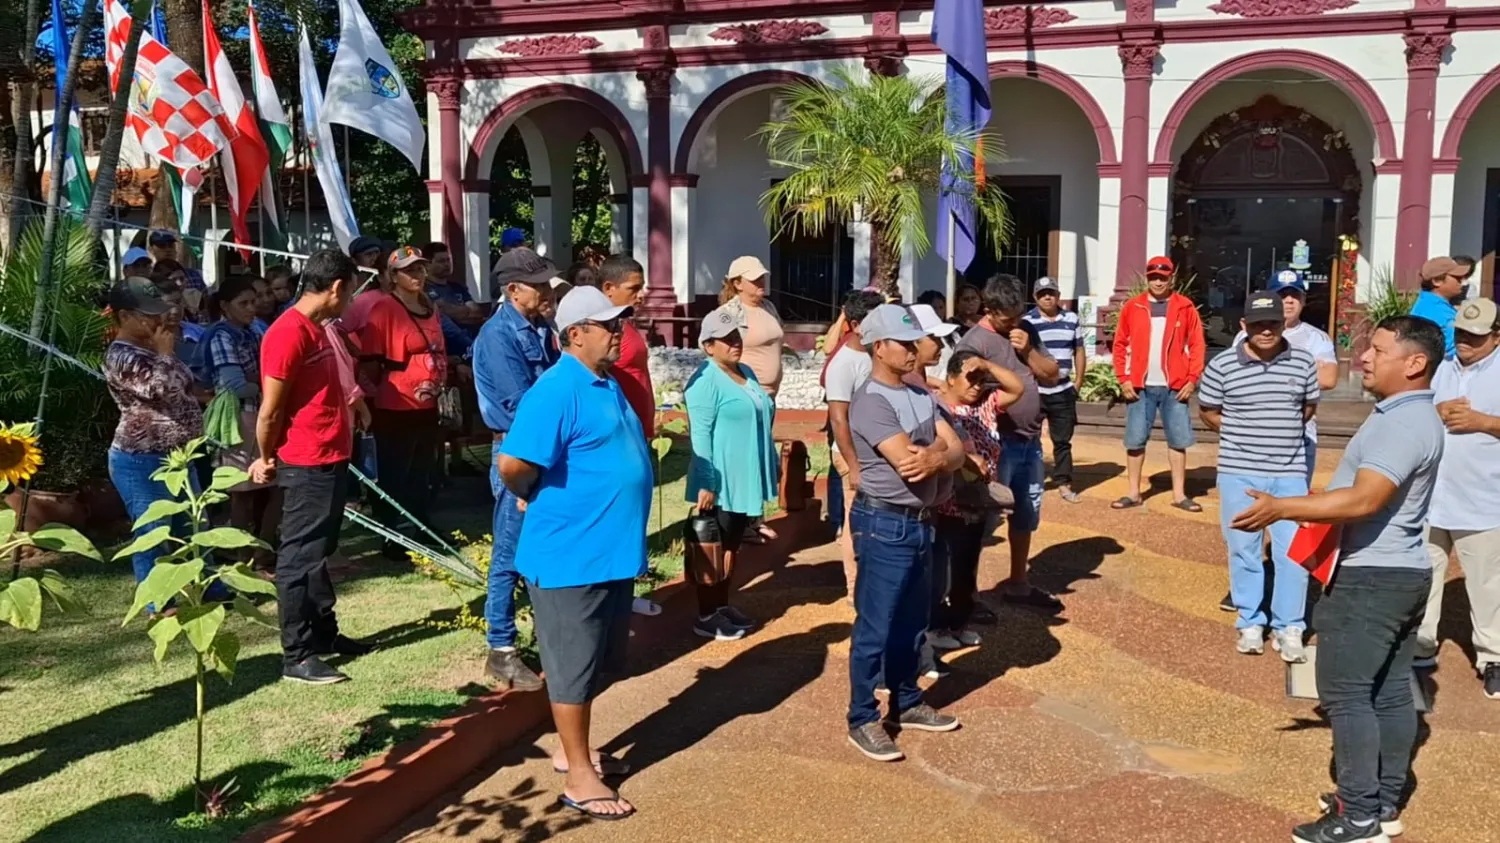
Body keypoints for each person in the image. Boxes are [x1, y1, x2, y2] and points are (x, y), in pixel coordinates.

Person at [1232, 316, 1445, 843]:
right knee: (1391, 690)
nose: (1363, 357)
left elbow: (1365, 499)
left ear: (1414, 363)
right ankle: (1382, 802)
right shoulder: (1410, 415)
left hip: (1373, 578)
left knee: (1347, 693)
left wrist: (1284, 506)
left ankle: (1359, 816)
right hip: (1400, 572)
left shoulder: (1402, 424)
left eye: (1376, 349)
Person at [496, 285, 653, 820]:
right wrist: (531, 495)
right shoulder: (557, 388)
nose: (620, 333)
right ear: (575, 334)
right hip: (570, 555)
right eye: (610, 325)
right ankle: (580, 776)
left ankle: (571, 748)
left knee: (602, 663)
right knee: (571, 667)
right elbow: (513, 464)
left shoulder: (605, 382)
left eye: (621, 324)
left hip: (609, 553)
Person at [844, 303, 967, 763]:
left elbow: (954, 449)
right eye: (905, 343)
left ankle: (906, 701)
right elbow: (908, 463)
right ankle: (862, 717)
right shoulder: (871, 401)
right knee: (875, 626)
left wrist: (937, 455)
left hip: (919, 523)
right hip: (884, 523)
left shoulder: (920, 394)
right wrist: (940, 455)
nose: (915, 351)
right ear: (880, 348)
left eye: (916, 342)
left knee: (913, 624)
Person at [250, 249, 372, 685]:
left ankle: (325, 634)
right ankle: (296, 655)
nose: (353, 299)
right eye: (353, 290)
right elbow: (270, 410)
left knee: (319, 551)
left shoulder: (318, 329)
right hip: (305, 462)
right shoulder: (287, 334)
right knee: (298, 558)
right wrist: (264, 457)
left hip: (332, 455)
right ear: (336, 287)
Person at [1199, 292, 1320, 661]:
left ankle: (1290, 626)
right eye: (1257, 324)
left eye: (1272, 323)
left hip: (1289, 472)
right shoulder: (1221, 365)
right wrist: (1240, 433)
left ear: (1283, 324)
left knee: (1293, 554)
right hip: (1239, 470)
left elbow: (1308, 407)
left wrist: (1278, 437)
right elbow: (1208, 410)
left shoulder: (1303, 362)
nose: (1266, 330)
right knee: (1244, 550)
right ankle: (1251, 621)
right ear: (1243, 326)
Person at [472, 247, 560, 691]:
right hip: (517, 453)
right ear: (512, 290)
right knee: (509, 552)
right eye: (538, 284)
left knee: (541, 547)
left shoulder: (543, 326)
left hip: (544, 449)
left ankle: (547, 634)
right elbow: (521, 404)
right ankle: (501, 648)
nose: (547, 291)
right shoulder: (498, 336)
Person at [955, 273, 1064, 611]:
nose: (1015, 322)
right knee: (981, 521)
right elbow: (962, 391)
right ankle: (966, 595)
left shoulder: (1026, 332)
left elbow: (1052, 373)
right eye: (1008, 318)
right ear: (989, 309)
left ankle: (1019, 582)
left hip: (1029, 440)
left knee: (1026, 514)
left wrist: (1028, 349)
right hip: (994, 442)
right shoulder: (975, 342)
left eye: (1020, 315)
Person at [102, 277, 205, 607]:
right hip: (141, 459)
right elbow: (157, 391)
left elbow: (182, 387)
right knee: (153, 531)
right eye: (148, 314)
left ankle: (208, 587)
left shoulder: (150, 348)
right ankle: (157, 603)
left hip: (176, 454)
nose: (158, 319)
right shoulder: (120, 355)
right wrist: (164, 353)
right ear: (124, 317)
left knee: (192, 523)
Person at [1418, 297, 1500, 699]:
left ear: (1496, 336)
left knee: (1487, 584)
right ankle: (1420, 646)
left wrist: (1485, 422)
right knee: (1424, 575)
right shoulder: (1442, 368)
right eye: (1462, 333)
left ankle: (1492, 657)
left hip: (1484, 498)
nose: (1466, 341)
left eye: (1476, 335)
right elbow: (1412, 412)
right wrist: (1437, 410)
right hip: (1431, 497)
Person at [684, 307, 779, 640]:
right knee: (712, 546)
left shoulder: (746, 371)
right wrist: (707, 482)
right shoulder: (704, 381)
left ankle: (722, 605)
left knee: (731, 546)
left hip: (745, 476)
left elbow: (762, 416)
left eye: (736, 337)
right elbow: (700, 434)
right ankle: (707, 613)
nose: (734, 343)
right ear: (708, 346)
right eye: (725, 339)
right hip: (719, 479)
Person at [359, 246, 448, 558]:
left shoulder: (430, 305)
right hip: (395, 403)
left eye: (420, 269)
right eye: (409, 270)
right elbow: (369, 361)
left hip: (428, 403)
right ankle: (392, 533)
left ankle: (422, 524)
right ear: (391, 276)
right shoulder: (383, 310)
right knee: (396, 471)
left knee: (425, 469)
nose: (417, 275)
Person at [936, 351, 1024, 634]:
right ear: (950, 378)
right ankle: (938, 626)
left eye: (981, 380)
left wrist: (986, 365)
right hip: (948, 504)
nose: (976, 386)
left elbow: (1017, 388)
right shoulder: (937, 409)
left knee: (968, 565)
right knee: (944, 569)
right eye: (970, 379)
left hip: (979, 502)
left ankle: (958, 624)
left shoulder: (986, 404)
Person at [1111, 255, 1206, 512]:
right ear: (1147, 278)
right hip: (1140, 387)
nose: (1158, 281)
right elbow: (1120, 345)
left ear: (1171, 278)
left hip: (1175, 387)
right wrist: (1123, 379)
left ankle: (1179, 494)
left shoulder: (1185, 307)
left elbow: (1197, 345)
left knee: (1177, 440)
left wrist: (1192, 379)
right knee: (1135, 440)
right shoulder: (1132, 307)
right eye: (1153, 276)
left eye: (1162, 277)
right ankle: (1133, 492)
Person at [203, 276, 282, 570]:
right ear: (225, 306)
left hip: (261, 413)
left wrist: (260, 380)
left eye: (255, 301)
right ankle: (241, 557)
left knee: (275, 486)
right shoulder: (222, 335)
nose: (252, 307)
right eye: (244, 303)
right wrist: (267, 381)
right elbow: (234, 385)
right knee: (241, 493)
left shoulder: (255, 330)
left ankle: (263, 549)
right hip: (237, 419)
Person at [824, 289, 885, 598]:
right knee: (855, 520)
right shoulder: (844, 364)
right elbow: (838, 419)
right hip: (853, 456)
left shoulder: (879, 353)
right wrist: (853, 464)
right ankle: (854, 587)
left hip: (880, 454)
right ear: (858, 324)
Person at [1024, 276, 1086, 503]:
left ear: (1058, 296)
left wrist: (1078, 382)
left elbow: (1078, 351)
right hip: (1035, 390)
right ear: (1035, 297)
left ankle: (1063, 483)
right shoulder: (1026, 321)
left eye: (1051, 293)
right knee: (1029, 438)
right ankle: (1031, 480)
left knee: (1062, 441)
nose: (1047, 297)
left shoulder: (1071, 318)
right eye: (1042, 294)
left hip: (1063, 390)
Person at [582, 255, 653, 436]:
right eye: (634, 289)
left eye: (642, 287)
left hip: (637, 429)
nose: (641, 295)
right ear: (608, 288)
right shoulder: (598, 330)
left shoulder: (623, 322)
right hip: (618, 430)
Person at [719, 256, 784, 401]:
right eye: (754, 279)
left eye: (762, 277)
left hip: (770, 393)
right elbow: (712, 349)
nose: (761, 282)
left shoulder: (768, 307)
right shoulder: (730, 312)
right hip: (746, 392)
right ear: (738, 284)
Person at [1410, 256, 1466, 359]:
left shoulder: (1431, 304)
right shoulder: (1432, 310)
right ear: (1437, 281)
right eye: (1457, 278)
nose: (1462, 283)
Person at [426, 241, 486, 330]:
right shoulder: (425, 289)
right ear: (427, 265)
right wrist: (466, 311)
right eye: (441, 261)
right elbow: (440, 314)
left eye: (448, 260)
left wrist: (449, 309)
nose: (446, 264)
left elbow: (477, 313)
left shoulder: (457, 287)